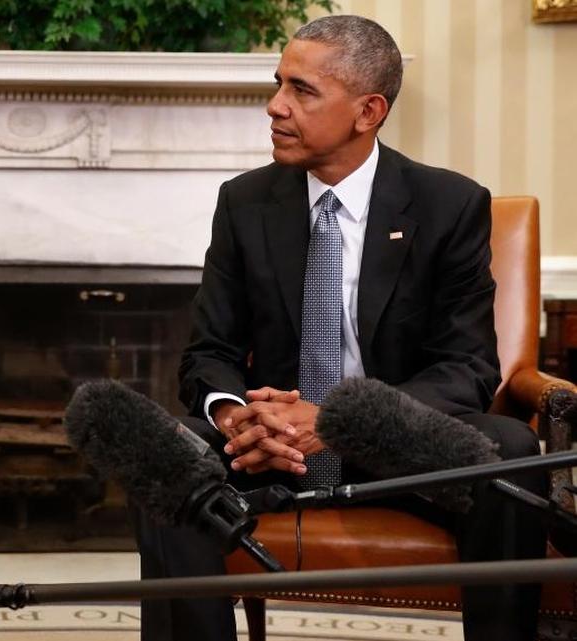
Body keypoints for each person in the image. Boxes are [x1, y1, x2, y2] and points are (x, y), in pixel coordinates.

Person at [134, 14, 547, 641]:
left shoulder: (449, 205)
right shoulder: (245, 203)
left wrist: (335, 421)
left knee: (509, 450)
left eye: (301, 90)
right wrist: (235, 416)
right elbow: (209, 352)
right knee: (161, 453)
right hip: (274, 450)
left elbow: (467, 368)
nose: (274, 107)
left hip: (397, 450)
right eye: (278, 85)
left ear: (368, 111)